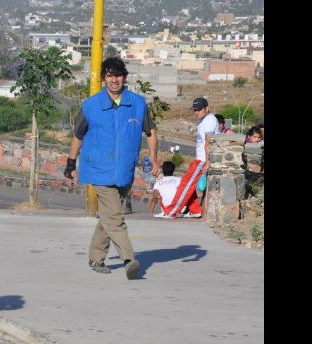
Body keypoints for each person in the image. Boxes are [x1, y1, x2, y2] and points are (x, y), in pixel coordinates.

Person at [64, 57, 158, 279]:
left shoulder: (137, 103)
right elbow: (78, 136)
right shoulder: (91, 105)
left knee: (108, 217)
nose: (114, 79)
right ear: (103, 78)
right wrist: (70, 165)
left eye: (117, 75)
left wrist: (154, 158)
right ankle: (129, 259)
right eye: (109, 75)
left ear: (124, 77)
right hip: (98, 168)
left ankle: (96, 258)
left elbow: (151, 132)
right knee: (115, 216)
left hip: (124, 170)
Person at [162, 97, 217, 219]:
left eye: (199, 110)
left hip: (203, 159)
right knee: (188, 184)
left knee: (185, 185)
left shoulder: (209, 121)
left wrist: (207, 162)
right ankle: (195, 209)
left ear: (206, 108)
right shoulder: (203, 121)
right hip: (200, 158)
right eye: (194, 110)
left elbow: (208, 143)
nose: (196, 112)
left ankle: (171, 212)